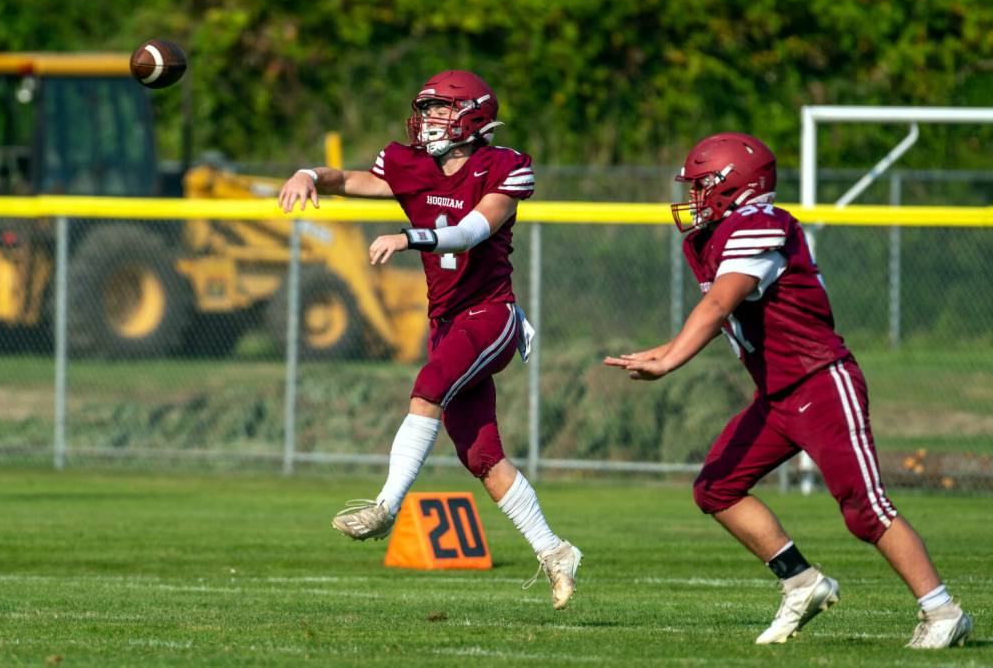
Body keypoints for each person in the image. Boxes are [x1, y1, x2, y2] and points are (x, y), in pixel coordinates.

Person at [604, 133, 971, 648]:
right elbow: (725, 317)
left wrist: (670, 360)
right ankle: (802, 582)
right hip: (777, 393)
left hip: (821, 382)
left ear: (732, 186)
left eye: (700, 186)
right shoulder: (713, 236)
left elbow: (719, 305)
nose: (691, 198)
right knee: (716, 487)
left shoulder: (760, 223)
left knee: (864, 508)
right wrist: (663, 348)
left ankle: (942, 611)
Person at [278, 70, 581, 609]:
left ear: (472, 115)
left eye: (440, 110)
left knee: (427, 389)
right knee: (482, 456)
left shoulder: (504, 166)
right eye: (426, 109)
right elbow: (346, 180)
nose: (428, 120)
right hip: (445, 322)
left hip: (491, 314)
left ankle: (385, 508)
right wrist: (306, 173)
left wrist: (409, 236)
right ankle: (555, 551)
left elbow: (471, 231)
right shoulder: (410, 163)